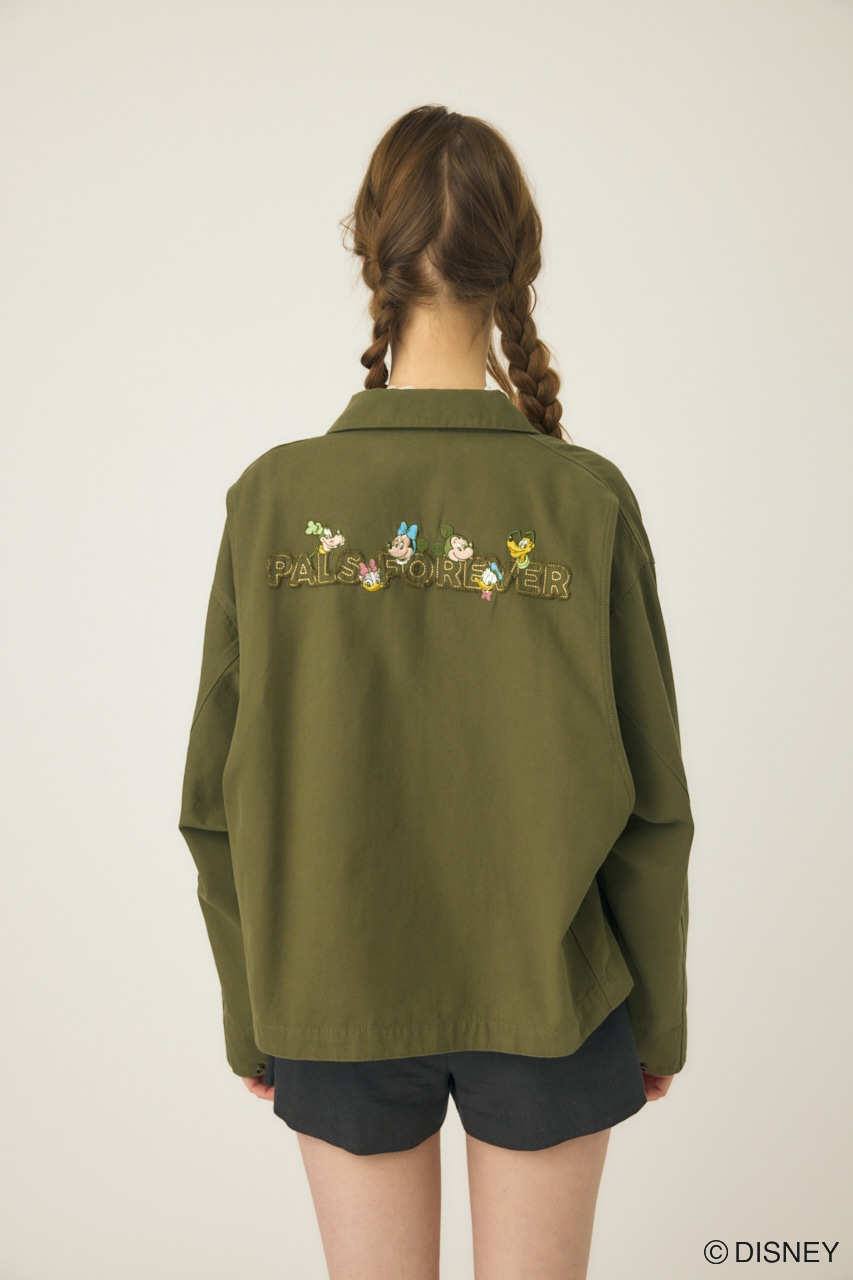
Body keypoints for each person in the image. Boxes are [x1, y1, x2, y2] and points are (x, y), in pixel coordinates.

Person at [178, 104, 695, 1280]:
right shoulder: (586, 499)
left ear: (371, 251)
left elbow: (214, 800)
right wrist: (657, 1015)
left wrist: (252, 1010)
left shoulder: (271, 500)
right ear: (518, 258)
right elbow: (652, 797)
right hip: (554, 997)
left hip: (331, 995)